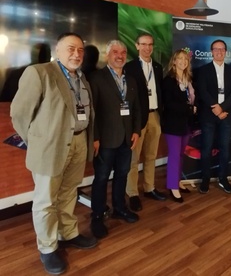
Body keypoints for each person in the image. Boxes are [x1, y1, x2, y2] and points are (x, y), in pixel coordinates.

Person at [10, 32, 97, 275]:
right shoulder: (39, 73)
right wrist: (37, 141)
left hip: (78, 143)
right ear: (57, 51)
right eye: (70, 49)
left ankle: (67, 233)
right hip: (51, 147)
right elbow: (18, 114)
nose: (76, 54)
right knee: (46, 200)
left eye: (80, 50)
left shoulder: (82, 78)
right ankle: (47, 247)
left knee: (69, 193)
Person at [88, 40, 141, 238]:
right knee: (101, 178)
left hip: (127, 139)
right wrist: (95, 138)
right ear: (107, 55)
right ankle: (98, 215)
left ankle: (120, 208)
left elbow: (136, 108)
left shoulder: (131, 80)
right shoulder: (96, 78)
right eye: (115, 52)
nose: (120, 55)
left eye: (123, 52)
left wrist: (136, 131)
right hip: (105, 140)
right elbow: (92, 111)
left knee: (122, 175)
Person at [125, 33, 166, 212]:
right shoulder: (130, 67)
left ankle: (149, 187)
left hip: (155, 116)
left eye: (150, 44)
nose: (147, 48)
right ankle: (132, 193)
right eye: (143, 44)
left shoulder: (157, 67)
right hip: (138, 118)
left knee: (151, 155)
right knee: (134, 158)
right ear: (137, 46)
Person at [196, 39, 231, 194]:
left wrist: (223, 108)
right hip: (209, 115)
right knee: (206, 148)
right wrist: (216, 107)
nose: (219, 52)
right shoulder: (203, 70)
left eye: (222, 49)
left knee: (225, 148)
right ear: (211, 52)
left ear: (225, 52)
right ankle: (205, 180)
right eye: (216, 49)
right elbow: (202, 91)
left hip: (227, 115)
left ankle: (223, 179)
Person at [161, 49, 196, 203]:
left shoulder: (188, 80)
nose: (183, 61)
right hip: (173, 125)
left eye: (185, 59)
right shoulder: (168, 81)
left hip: (186, 124)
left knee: (182, 155)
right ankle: (172, 187)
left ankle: (177, 181)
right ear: (174, 61)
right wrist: (189, 109)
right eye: (179, 59)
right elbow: (169, 104)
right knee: (174, 156)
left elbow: (192, 99)